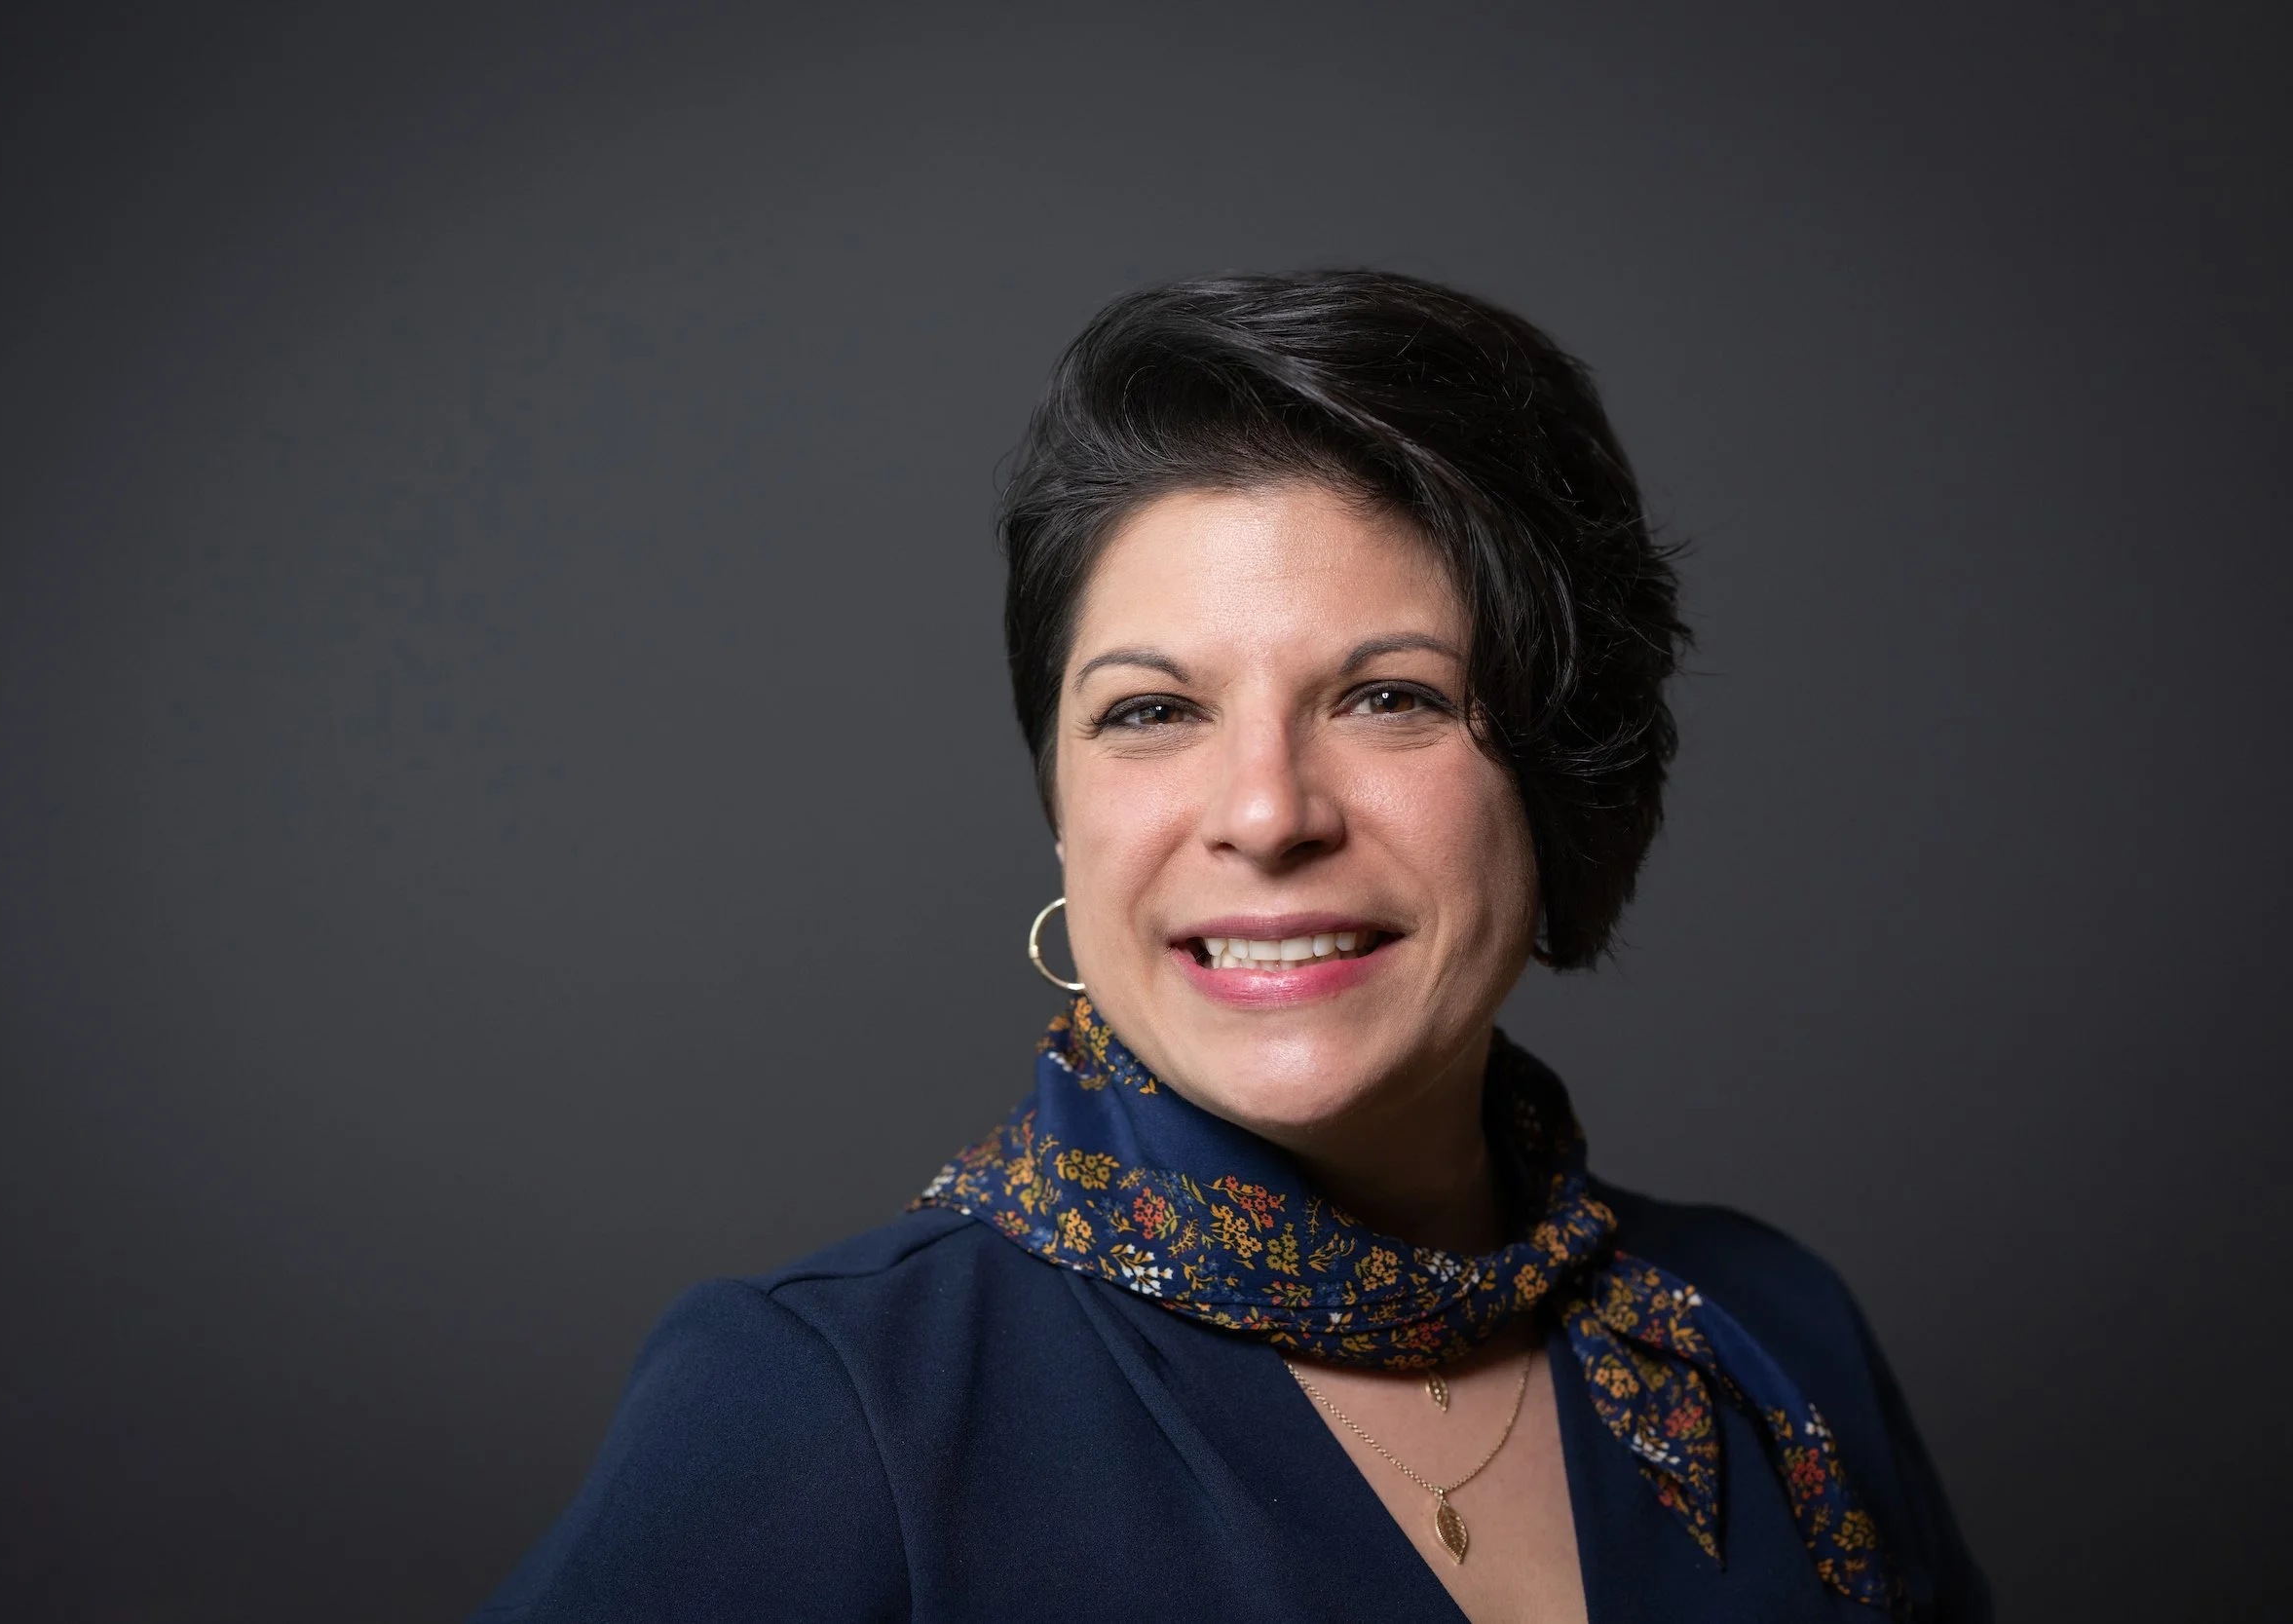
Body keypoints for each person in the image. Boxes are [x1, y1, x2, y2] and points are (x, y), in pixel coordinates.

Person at [471, 271, 1989, 1623]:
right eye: (1152, 710)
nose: (1265, 814)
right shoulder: (824, 1404)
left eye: (1388, 695)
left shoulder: (1765, 1330)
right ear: (1062, 810)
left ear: (1561, 773)